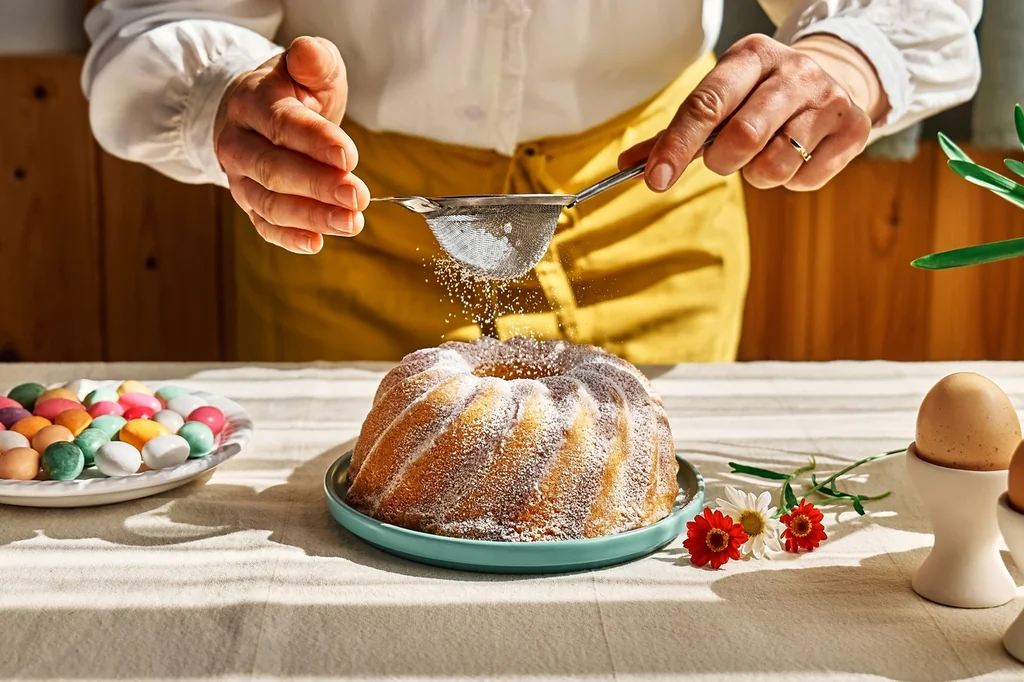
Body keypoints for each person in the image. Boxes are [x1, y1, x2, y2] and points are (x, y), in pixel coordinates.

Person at [82, 1, 982, 364]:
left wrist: (844, 55)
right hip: (348, 215)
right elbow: (159, 14)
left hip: (647, 198)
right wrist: (225, 97)